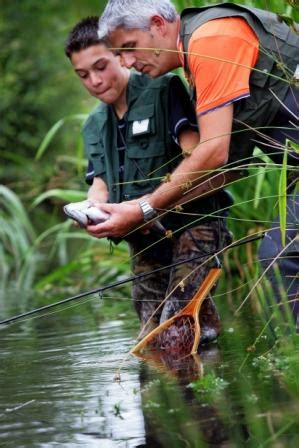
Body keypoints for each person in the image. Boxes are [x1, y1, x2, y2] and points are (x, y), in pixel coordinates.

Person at [95, 0, 298, 325]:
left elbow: (213, 152)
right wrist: (145, 209)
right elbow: (225, 171)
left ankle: (291, 363)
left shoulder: (211, 39)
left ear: (159, 24)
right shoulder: (196, 64)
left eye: (130, 47)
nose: (128, 63)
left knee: (282, 256)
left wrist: (144, 209)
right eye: (120, 55)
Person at [64, 16, 233, 342]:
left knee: (180, 329)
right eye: (83, 75)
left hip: (193, 226)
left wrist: (146, 206)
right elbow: (99, 186)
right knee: (152, 338)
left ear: (120, 56)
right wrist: (92, 213)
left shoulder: (163, 89)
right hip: (142, 238)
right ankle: (179, 384)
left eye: (101, 67)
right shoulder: (93, 125)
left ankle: (208, 382)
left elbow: (198, 159)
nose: (95, 81)